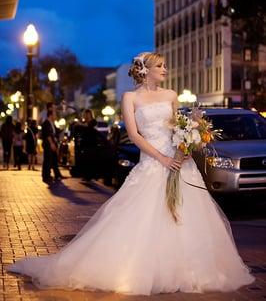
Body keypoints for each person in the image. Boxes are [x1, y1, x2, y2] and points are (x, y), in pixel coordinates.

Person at [7, 52, 254, 295]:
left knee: (184, 214)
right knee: (144, 216)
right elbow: (135, 135)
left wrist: (186, 146)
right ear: (146, 70)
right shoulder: (129, 98)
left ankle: (190, 271)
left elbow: (178, 126)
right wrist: (162, 158)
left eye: (165, 65)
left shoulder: (170, 95)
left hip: (180, 164)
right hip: (153, 160)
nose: (165, 70)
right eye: (161, 66)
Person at [41, 109, 64, 184]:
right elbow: (47, 135)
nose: (56, 116)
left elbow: (55, 132)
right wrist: (51, 143)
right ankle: (46, 176)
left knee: (53, 160)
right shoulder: (46, 123)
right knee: (47, 160)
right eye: (55, 114)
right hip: (48, 144)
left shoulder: (52, 123)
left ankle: (57, 175)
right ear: (51, 115)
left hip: (52, 144)